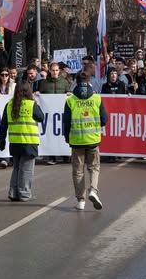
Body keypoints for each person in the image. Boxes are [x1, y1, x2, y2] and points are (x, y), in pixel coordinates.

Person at [63, 72, 108, 211]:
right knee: (94, 168)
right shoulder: (96, 99)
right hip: (93, 140)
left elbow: (66, 122)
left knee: (78, 171)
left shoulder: (70, 100)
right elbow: (104, 120)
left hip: (77, 141)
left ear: (76, 82)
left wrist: (67, 137)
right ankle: (93, 190)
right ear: (89, 81)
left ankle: (80, 201)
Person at [0, 81, 44, 201]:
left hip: (15, 142)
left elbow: (3, 125)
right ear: (28, 91)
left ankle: (13, 192)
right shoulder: (31, 104)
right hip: (29, 142)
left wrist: (1, 141)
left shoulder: (9, 105)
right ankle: (24, 194)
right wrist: (36, 104)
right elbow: (41, 117)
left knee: (17, 168)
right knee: (27, 169)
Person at [36, 62, 72, 164]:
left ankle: (65, 155)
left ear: (59, 71)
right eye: (53, 70)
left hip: (61, 114)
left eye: (57, 70)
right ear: (50, 71)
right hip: (49, 114)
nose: (55, 72)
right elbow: (40, 93)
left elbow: (68, 92)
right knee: (50, 133)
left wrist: (68, 93)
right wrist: (38, 94)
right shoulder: (44, 83)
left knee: (62, 133)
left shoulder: (64, 82)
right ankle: (52, 157)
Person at [0, 67, 16, 168]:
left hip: (10, 113)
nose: (4, 77)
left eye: (6, 75)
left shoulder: (14, 86)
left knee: (10, 135)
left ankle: (8, 158)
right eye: (2, 75)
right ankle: (2, 157)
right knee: (1, 134)